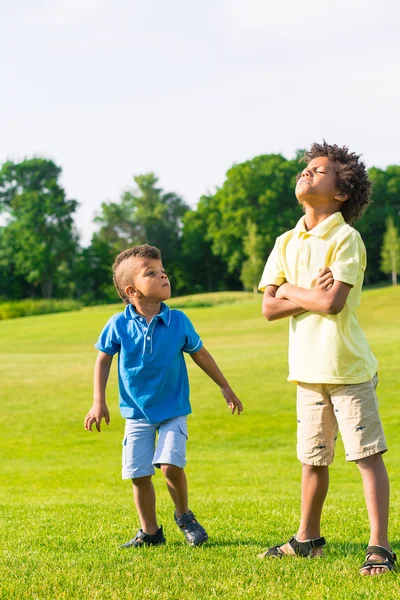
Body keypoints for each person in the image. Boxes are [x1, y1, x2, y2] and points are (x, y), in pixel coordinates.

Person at [258, 141, 395, 576]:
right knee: (312, 458)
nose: (307, 174)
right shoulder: (285, 240)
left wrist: (291, 291)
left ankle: (380, 547)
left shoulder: (346, 238)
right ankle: (308, 539)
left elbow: (333, 303)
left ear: (340, 193)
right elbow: (267, 308)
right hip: (307, 370)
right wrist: (307, 293)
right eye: (306, 169)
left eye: (319, 171)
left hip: (347, 368)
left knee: (365, 455)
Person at [84, 244, 243, 549]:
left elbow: (201, 355)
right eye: (152, 274)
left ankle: (184, 516)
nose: (163, 277)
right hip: (136, 414)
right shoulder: (117, 324)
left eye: (163, 272)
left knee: (170, 465)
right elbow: (103, 359)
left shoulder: (179, 320)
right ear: (133, 290)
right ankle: (150, 532)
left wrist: (224, 386)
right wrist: (98, 401)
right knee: (139, 475)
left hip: (173, 409)